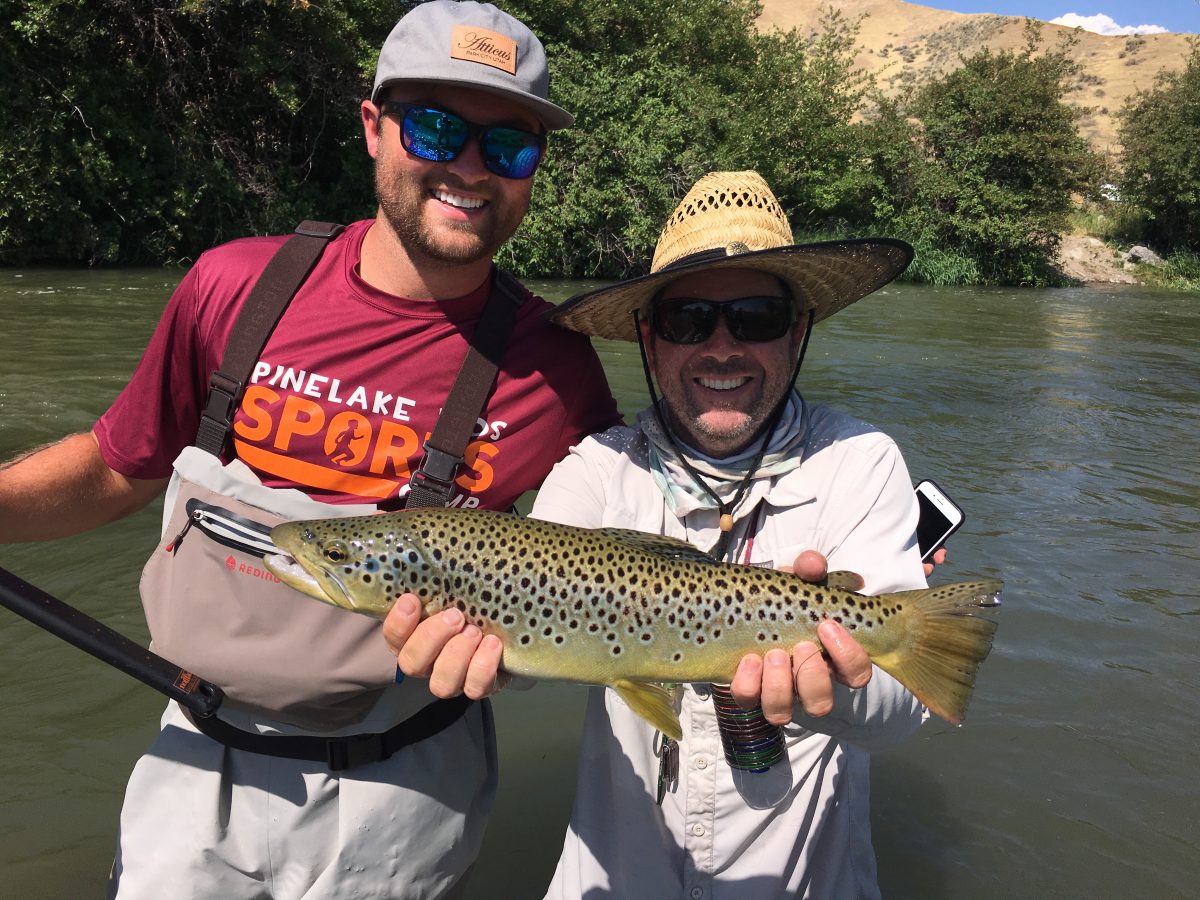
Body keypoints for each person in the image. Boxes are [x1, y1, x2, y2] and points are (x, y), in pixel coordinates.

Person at [0, 2, 618, 897]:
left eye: (509, 146)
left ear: (533, 171)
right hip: (196, 762)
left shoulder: (556, 368)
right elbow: (115, 466)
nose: (471, 169)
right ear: (373, 127)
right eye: (438, 128)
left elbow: (626, 546)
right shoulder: (233, 284)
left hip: (412, 794)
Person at [389, 169, 931, 898]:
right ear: (648, 335)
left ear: (798, 329)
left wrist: (825, 683)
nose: (721, 347)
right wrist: (488, 659)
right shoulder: (596, 470)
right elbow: (525, 629)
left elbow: (904, 713)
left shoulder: (860, 463)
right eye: (687, 321)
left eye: (756, 317)